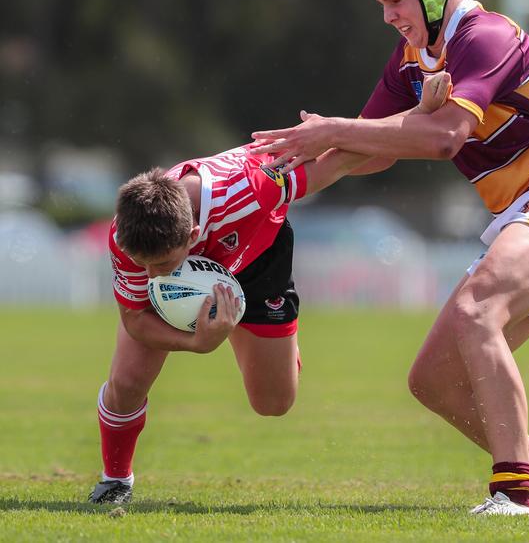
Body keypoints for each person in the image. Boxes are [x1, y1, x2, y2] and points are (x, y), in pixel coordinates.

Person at [250, 0, 529, 516]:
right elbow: (367, 149)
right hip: (524, 212)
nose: (388, 17)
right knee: (434, 383)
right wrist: (269, 190)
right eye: (381, 5)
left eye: (395, 1)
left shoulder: (486, 36)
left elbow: (445, 137)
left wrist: (332, 128)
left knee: (480, 311)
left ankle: (516, 494)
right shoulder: (411, 62)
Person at [88, 75, 452, 505]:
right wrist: (195, 342)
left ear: (193, 234)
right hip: (203, 268)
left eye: (162, 267)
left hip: (256, 257)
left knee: (273, 403)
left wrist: (419, 114)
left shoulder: (250, 190)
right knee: (128, 380)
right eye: (145, 267)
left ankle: (275, 337)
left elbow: (339, 160)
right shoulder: (128, 237)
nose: (152, 277)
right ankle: (116, 479)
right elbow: (134, 319)